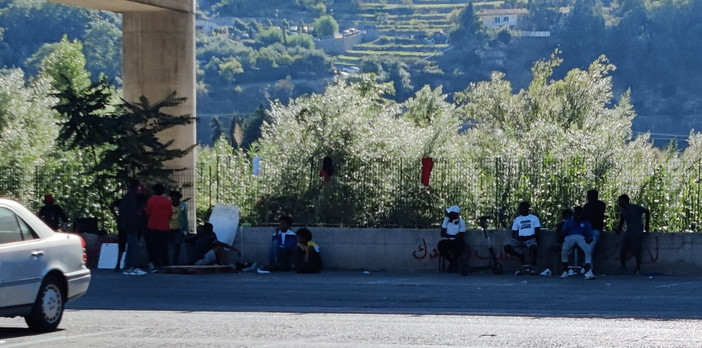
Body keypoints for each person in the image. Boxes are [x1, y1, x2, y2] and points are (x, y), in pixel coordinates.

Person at [615, 194, 650, 275]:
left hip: (637, 232)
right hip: (628, 232)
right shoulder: (623, 210)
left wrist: (647, 225)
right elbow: (622, 220)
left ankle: (638, 268)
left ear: (625, 201)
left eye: (620, 201)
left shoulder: (635, 208)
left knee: (637, 251)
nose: (619, 203)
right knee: (623, 249)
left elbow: (647, 211)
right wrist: (619, 229)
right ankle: (623, 267)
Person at [118, 180, 147, 276]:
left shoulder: (127, 198)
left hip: (129, 226)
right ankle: (133, 267)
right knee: (134, 248)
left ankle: (128, 267)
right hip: (131, 226)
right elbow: (129, 213)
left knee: (131, 247)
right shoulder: (130, 199)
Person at [504, 201, 540, 275]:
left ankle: (533, 266)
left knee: (534, 248)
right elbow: (514, 233)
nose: (520, 210)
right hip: (520, 239)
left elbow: (537, 232)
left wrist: (530, 237)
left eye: (522, 208)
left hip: (530, 238)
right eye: (520, 208)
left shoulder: (534, 218)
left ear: (527, 209)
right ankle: (520, 256)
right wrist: (519, 238)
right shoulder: (517, 219)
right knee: (507, 247)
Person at [560, 207, 595, 280]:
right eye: (576, 212)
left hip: (581, 237)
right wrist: (564, 237)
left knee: (588, 250)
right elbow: (563, 231)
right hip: (570, 237)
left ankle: (588, 271)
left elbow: (590, 234)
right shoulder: (569, 221)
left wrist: (589, 239)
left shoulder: (586, 222)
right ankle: (565, 271)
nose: (578, 214)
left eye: (580, 213)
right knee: (564, 250)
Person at [144, 183, 173, 272]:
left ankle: (154, 264)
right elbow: (170, 214)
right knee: (164, 247)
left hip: (152, 226)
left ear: (154, 191)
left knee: (153, 247)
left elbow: (147, 213)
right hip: (164, 227)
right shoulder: (167, 201)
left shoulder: (151, 200)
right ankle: (165, 264)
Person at [540, 208, 573, 276]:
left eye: (569, 216)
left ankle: (571, 269)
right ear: (563, 217)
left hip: (573, 243)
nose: (567, 218)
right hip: (562, 242)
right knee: (550, 247)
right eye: (565, 216)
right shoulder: (560, 225)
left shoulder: (575, 224)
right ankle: (548, 269)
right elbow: (558, 236)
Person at [437, 205, 467, 273]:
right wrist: (453, 236)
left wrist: (449, 235)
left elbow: (461, 235)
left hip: (457, 241)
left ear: (455, 214)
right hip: (448, 241)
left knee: (460, 247)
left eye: (450, 213)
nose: (448, 214)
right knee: (441, 246)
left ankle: (452, 263)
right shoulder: (446, 220)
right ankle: (452, 262)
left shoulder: (461, 222)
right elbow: (442, 233)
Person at [583, 189, 606, 271]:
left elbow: (597, 216)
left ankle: (589, 268)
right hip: (587, 230)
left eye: (590, 195)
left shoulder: (601, 205)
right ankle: (588, 266)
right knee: (587, 248)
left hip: (596, 229)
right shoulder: (586, 206)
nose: (588, 197)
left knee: (590, 248)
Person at [168, 190, 189, 265]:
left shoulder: (182, 205)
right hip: (169, 229)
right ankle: (169, 262)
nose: (175, 201)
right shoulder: (168, 206)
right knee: (169, 246)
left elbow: (185, 218)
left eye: (176, 199)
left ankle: (174, 262)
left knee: (177, 245)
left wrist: (186, 230)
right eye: (173, 199)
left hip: (179, 229)